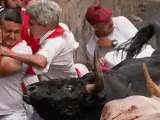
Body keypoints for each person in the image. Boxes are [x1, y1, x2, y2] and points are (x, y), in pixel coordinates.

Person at [0, 0, 80, 80]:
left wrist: (7, 52)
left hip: (62, 87)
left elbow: (41, 62)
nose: (28, 27)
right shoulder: (60, 27)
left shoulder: (54, 43)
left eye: (31, 24)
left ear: (45, 25)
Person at [0, 8, 33, 120]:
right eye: (8, 31)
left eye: (17, 32)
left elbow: (2, 68)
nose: (12, 36)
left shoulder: (24, 50)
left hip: (12, 114)